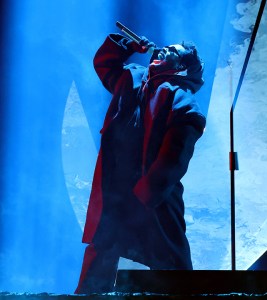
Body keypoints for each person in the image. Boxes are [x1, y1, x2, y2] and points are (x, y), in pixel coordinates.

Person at [75, 33, 206, 294]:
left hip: (152, 196)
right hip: (117, 191)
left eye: (172, 51)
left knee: (170, 260)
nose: (162, 51)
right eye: (163, 48)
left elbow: (174, 158)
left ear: (181, 67)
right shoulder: (131, 78)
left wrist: (146, 195)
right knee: (102, 252)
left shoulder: (183, 103)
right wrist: (129, 46)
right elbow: (106, 64)